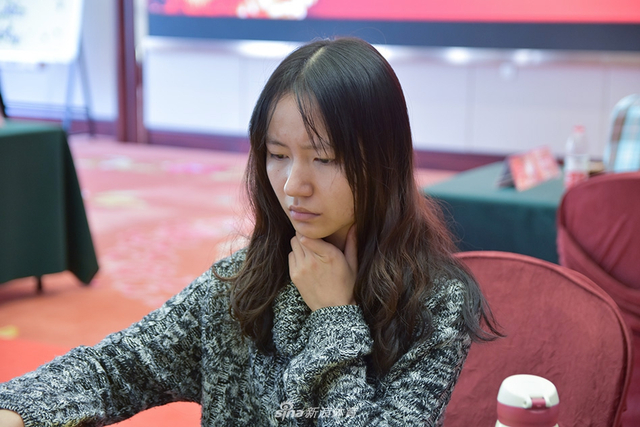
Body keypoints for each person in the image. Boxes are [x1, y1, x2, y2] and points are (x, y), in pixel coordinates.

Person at [0, 37, 499, 426]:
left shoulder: (434, 303)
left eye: (324, 158)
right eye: (277, 155)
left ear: (383, 162)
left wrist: (335, 319)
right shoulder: (243, 284)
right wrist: (16, 408)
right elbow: (117, 366)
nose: (293, 184)